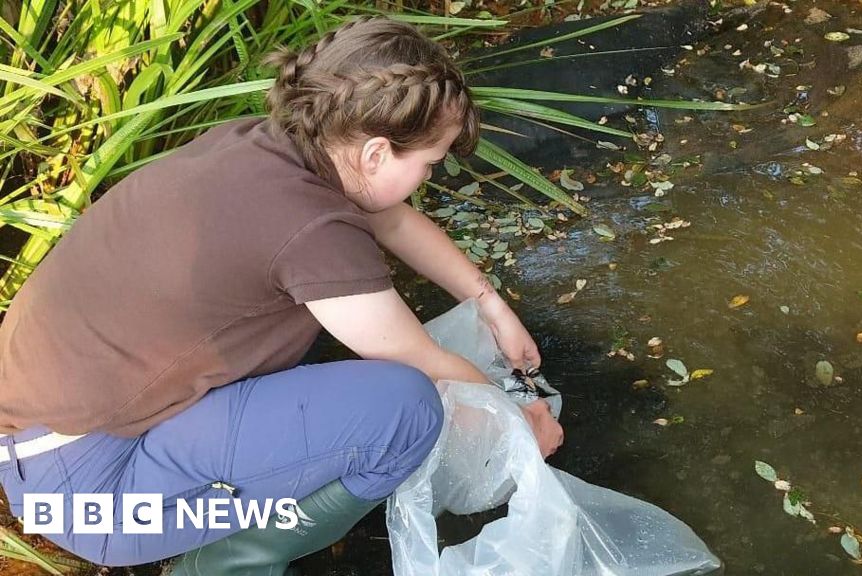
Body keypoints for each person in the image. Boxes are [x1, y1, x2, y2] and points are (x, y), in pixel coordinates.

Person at [0, 17, 563, 574]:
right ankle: (226, 566)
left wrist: (490, 304)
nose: (428, 177)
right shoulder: (312, 229)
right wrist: (516, 420)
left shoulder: (268, 145)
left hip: (48, 446)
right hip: (94, 494)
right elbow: (417, 360)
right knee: (407, 410)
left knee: (347, 368)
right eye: (428, 164)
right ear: (373, 154)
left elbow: (389, 220)